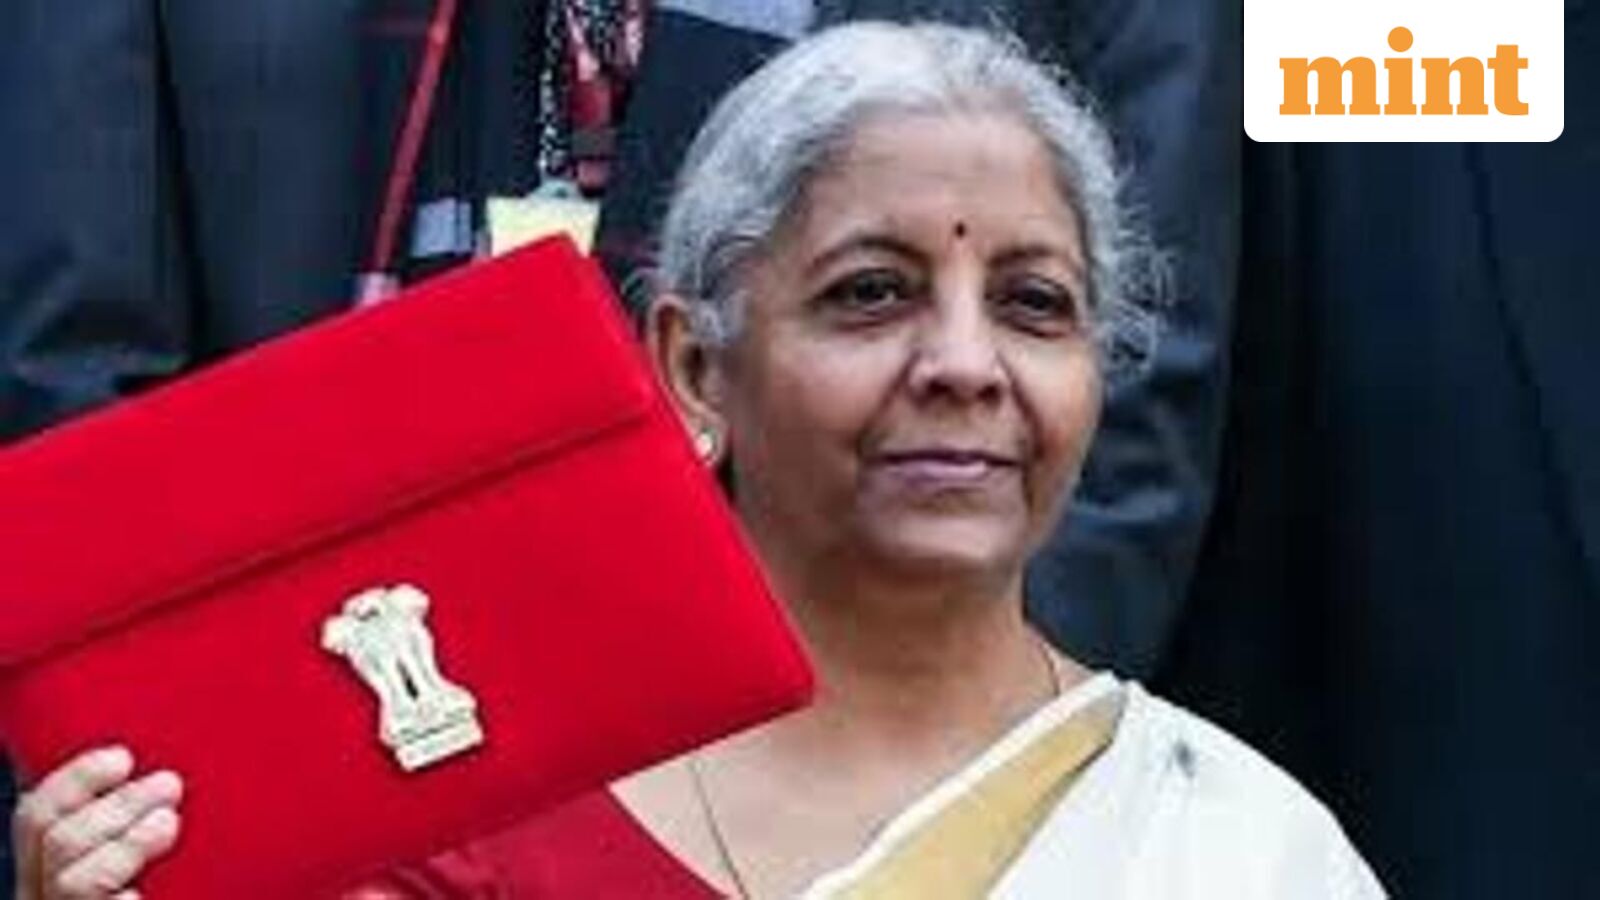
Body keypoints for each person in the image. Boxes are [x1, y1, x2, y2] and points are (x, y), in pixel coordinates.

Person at [11, 23, 1381, 899]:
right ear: (692, 367)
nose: (965, 364)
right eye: (870, 294)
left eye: (1034, 305)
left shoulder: (1235, 850)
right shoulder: (467, 825)